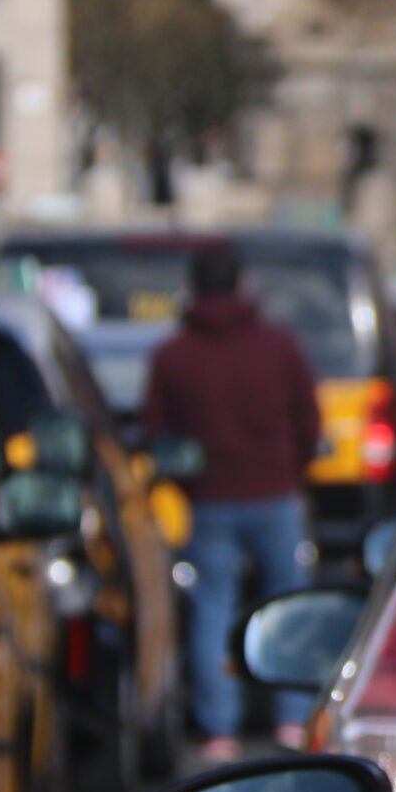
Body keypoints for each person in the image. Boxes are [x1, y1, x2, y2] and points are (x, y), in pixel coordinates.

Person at [141, 245, 325, 761]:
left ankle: (219, 729)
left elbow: (156, 432)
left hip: (208, 500)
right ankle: (292, 720)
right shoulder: (279, 345)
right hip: (274, 493)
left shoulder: (172, 355)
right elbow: (309, 421)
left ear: (193, 288)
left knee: (211, 609)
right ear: (242, 284)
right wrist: (294, 470)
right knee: (288, 606)